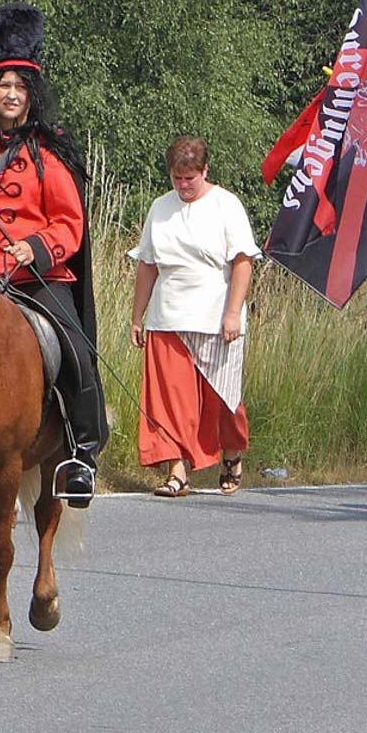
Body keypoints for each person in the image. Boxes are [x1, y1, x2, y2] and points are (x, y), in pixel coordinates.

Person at [0, 2, 107, 507]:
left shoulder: (50, 151)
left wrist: (31, 248)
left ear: (31, 96)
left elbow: (68, 226)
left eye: (20, 87)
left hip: (35, 276)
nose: (10, 95)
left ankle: (80, 450)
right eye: (3, 85)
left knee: (72, 346)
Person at [127, 136, 258, 497]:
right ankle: (177, 471)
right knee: (170, 399)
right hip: (168, 315)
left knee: (222, 399)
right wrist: (137, 316)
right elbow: (148, 265)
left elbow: (243, 262)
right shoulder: (160, 207)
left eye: (190, 178)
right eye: (177, 178)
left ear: (205, 171)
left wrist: (233, 313)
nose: (183, 186)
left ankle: (231, 453)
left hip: (215, 314)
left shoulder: (226, 205)